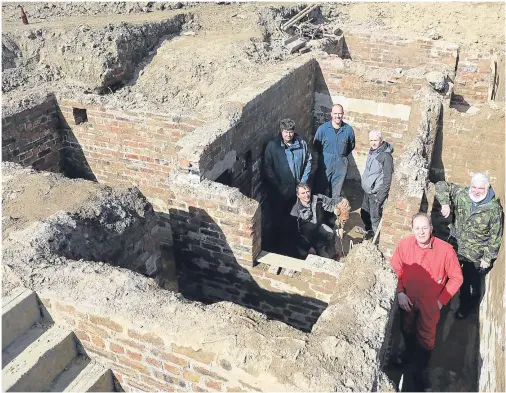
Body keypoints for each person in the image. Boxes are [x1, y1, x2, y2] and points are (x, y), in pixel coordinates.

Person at [390, 213, 463, 391]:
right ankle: (407, 355)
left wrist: (441, 300)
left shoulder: (445, 250)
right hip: (408, 298)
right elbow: (394, 269)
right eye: (417, 228)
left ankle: (420, 369)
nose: (421, 232)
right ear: (412, 230)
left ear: (431, 228)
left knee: (427, 336)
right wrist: (399, 292)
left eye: (424, 228)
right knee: (406, 327)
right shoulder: (404, 245)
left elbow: (456, 278)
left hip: (430, 303)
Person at [435, 172, 503, 319]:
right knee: (450, 276)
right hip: (456, 248)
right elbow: (441, 185)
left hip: (475, 256)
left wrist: (488, 257)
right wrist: (445, 202)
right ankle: (441, 301)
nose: (476, 191)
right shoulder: (462, 195)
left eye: (480, 188)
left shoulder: (493, 210)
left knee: (469, 284)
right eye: (474, 187)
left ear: (487, 188)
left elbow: (495, 236)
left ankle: (466, 307)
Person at [264, 118, 312, 250]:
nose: (288, 135)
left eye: (290, 132)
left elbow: (308, 160)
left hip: (296, 189)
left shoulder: (301, 143)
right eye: (286, 132)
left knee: (294, 217)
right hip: (279, 190)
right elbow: (268, 167)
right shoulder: (273, 146)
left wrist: (302, 182)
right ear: (281, 131)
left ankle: (295, 241)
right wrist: (277, 184)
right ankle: (277, 244)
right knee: (278, 217)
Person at [289, 183, 350, 259]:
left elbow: (331, 202)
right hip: (305, 236)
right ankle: (313, 250)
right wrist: (308, 247)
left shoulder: (317, 199)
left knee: (331, 234)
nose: (306, 195)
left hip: (318, 227)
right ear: (298, 195)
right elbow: (296, 234)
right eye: (303, 193)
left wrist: (342, 200)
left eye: (308, 191)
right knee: (307, 254)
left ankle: (331, 252)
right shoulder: (295, 211)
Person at [313, 104, 355, 198]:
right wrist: (326, 156)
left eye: (340, 113)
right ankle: (319, 211)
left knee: (336, 191)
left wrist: (341, 155)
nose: (337, 116)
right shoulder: (323, 129)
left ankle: (332, 211)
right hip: (325, 163)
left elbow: (351, 146)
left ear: (343, 114)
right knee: (320, 189)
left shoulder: (348, 130)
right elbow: (316, 145)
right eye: (335, 113)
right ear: (331, 114)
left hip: (341, 163)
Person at [358, 130, 394, 238]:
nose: (373, 143)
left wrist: (380, 197)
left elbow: (388, 179)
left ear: (381, 140)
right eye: (371, 140)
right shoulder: (373, 151)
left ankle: (376, 241)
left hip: (375, 194)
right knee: (364, 213)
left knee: (375, 219)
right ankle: (369, 233)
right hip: (367, 191)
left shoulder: (386, 156)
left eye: (376, 140)